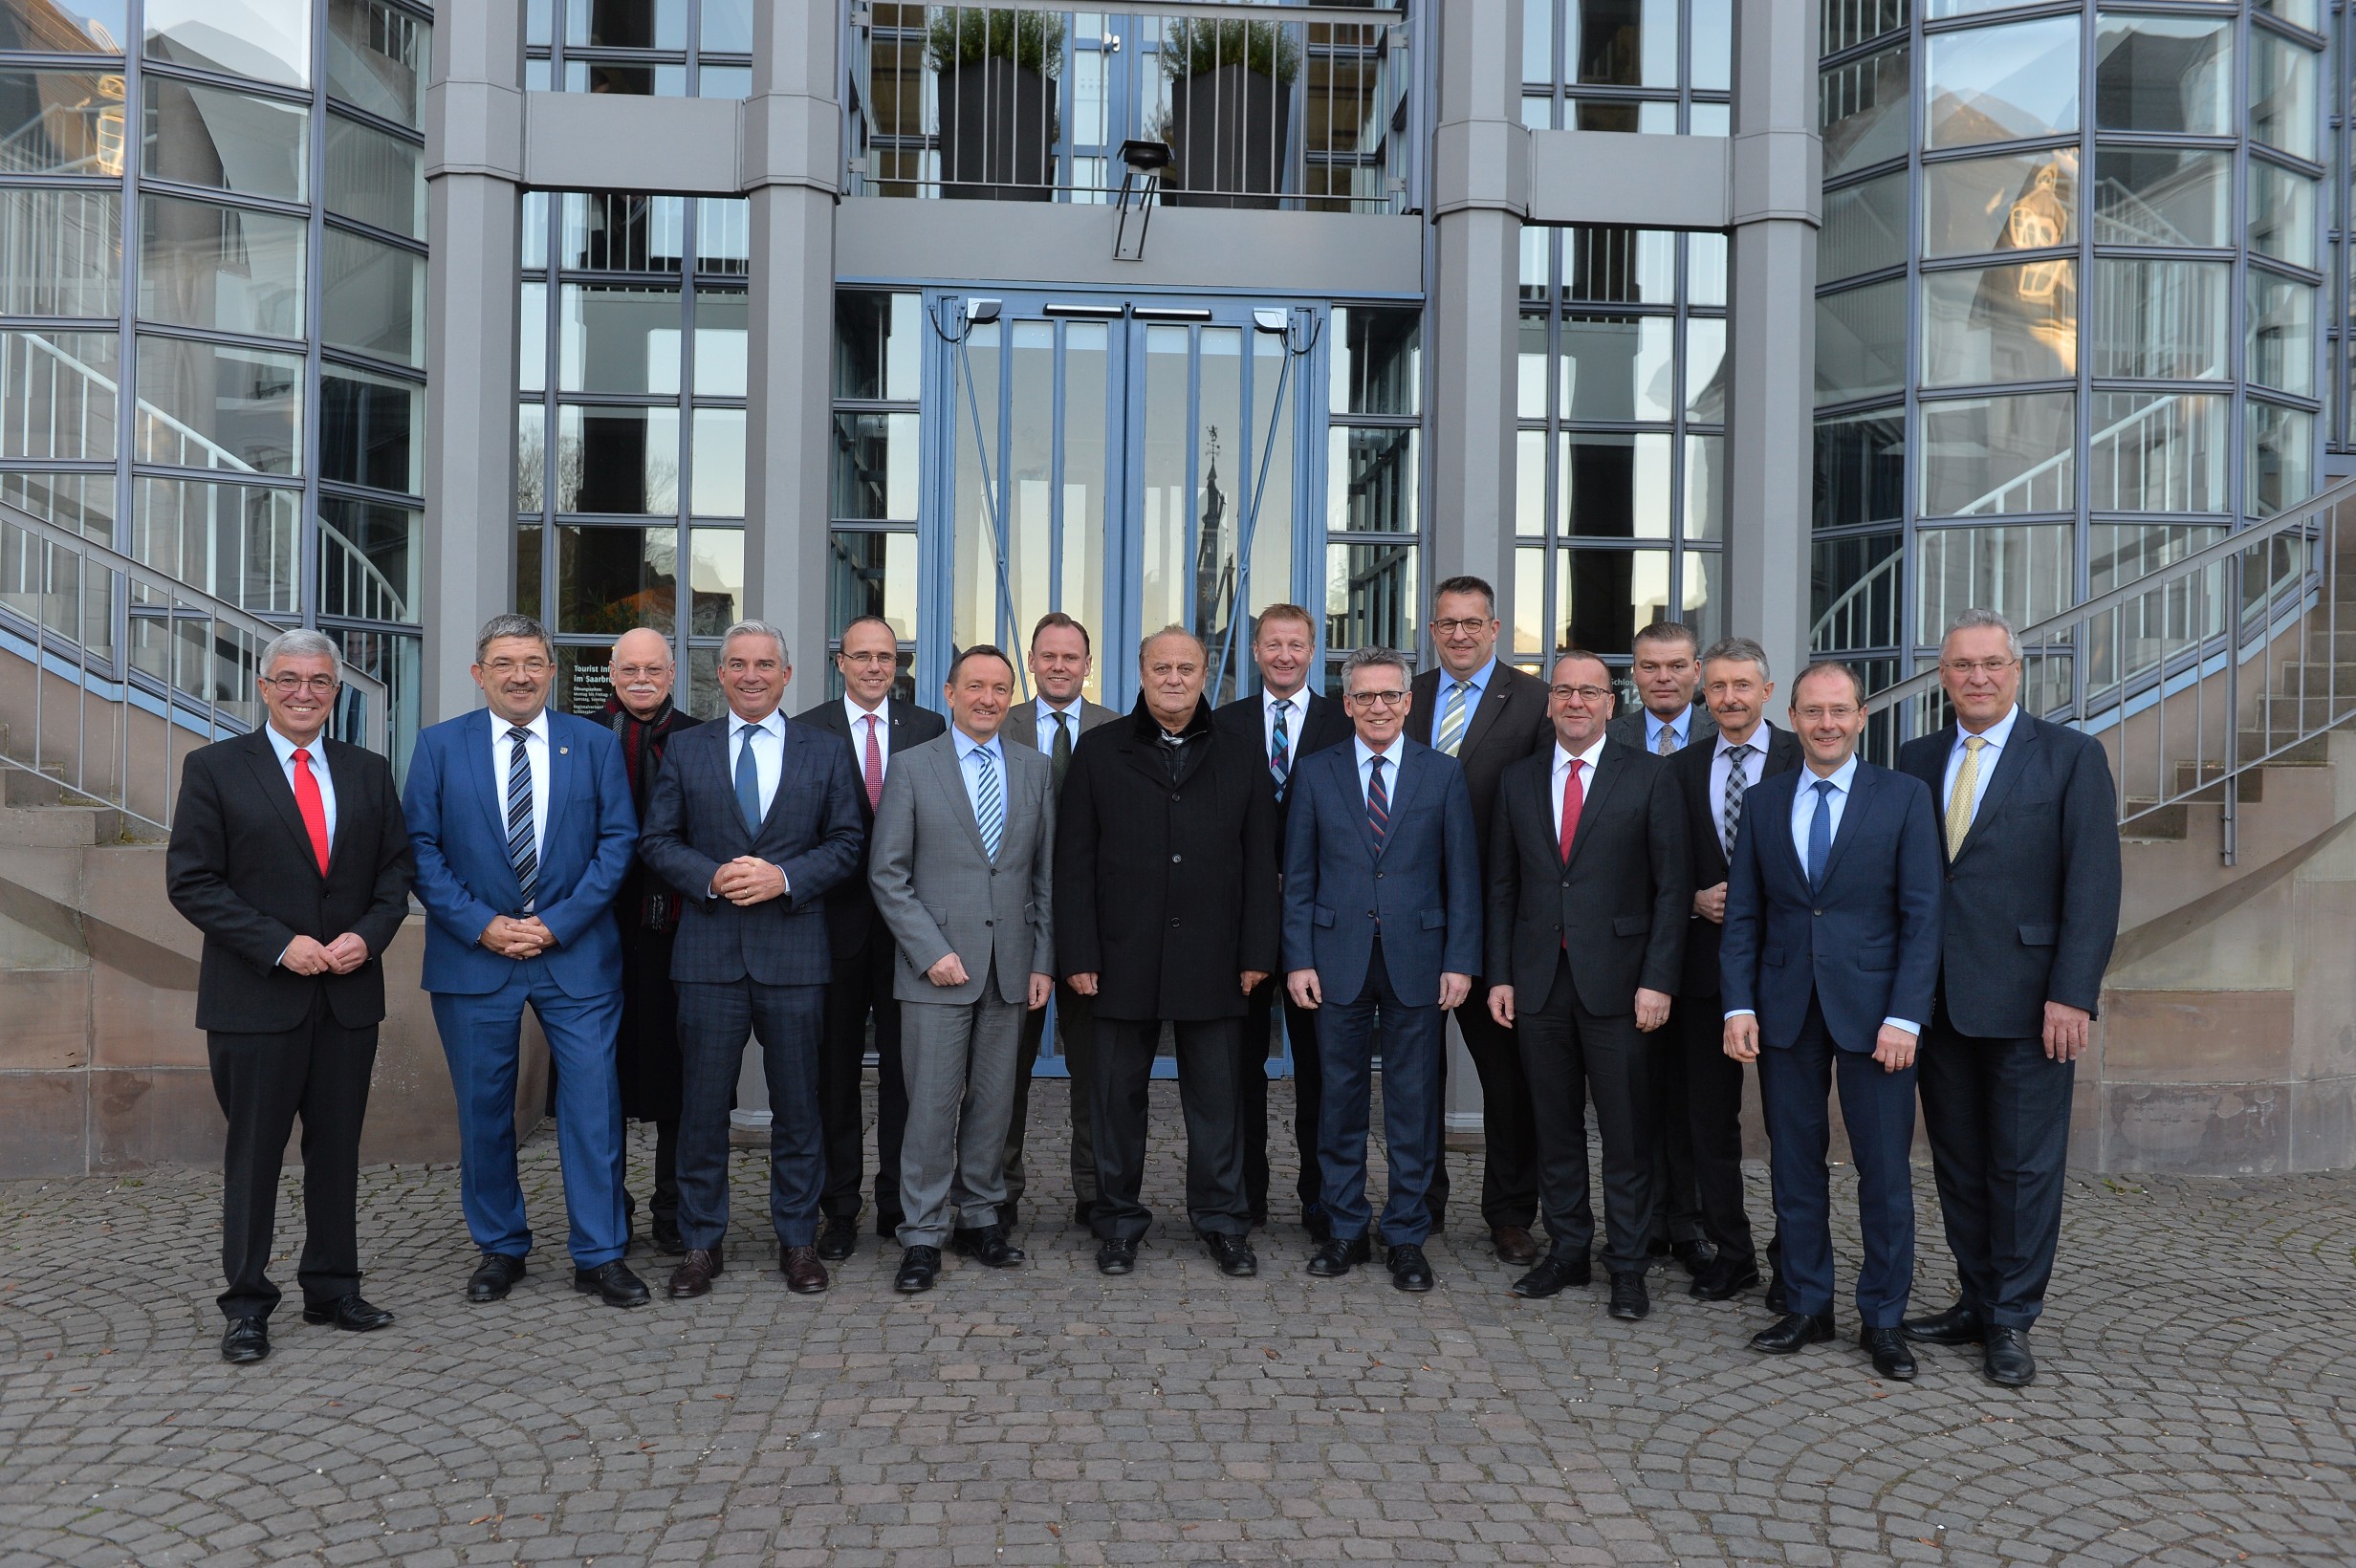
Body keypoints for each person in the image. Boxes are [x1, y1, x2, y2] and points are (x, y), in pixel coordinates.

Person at [165, 630, 416, 1365]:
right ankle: (246, 1305)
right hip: (255, 998)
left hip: (347, 997)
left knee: (336, 1150)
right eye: (289, 680)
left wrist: (368, 937)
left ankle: (333, 1287)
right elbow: (192, 881)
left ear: (336, 692)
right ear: (264, 686)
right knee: (255, 1157)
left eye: (319, 681)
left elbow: (395, 874)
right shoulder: (214, 769)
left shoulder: (368, 772)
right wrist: (279, 944)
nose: (304, 693)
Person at [1898, 609, 2121, 1388]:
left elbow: (2093, 886)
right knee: (1958, 1162)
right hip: (1939, 1003)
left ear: (2017, 672)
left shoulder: (2070, 756)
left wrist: (2073, 995)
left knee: (2024, 1168)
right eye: (1963, 665)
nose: (1978, 677)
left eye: (1992, 663)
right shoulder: (1916, 759)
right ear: (1943, 677)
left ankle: (2012, 1318)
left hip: (2032, 1006)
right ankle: (1975, 1298)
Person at [404, 614, 648, 1309]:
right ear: (478, 673)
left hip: (575, 955)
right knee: (485, 1110)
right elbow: (419, 848)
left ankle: (599, 1253)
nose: (520, 676)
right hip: (474, 956)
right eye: (505, 663)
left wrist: (556, 924)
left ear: (552, 671)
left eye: (534, 662)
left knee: (594, 1107)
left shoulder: (594, 744)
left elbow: (618, 844)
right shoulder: (438, 745)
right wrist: (481, 925)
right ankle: (500, 1246)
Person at [1721, 662, 1942, 1382]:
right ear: (1793, 717)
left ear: (1860, 716)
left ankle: (1883, 1319)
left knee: (1884, 1172)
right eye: (1812, 711)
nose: (1826, 724)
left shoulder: (1903, 797)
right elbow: (1745, 913)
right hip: (1785, 1012)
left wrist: (1906, 1016)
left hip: (1878, 1017)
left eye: (1839, 711)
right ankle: (1807, 1305)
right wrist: (1738, 1004)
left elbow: (1923, 917)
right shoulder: (1764, 801)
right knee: (1793, 1164)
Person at [637, 621, 865, 1298]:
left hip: (795, 956)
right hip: (708, 956)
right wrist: (710, 877)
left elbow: (848, 842)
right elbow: (657, 840)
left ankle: (798, 1240)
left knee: (799, 1109)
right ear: (721, 675)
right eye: (737, 664)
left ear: (787, 675)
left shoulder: (825, 751)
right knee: (702, 1111)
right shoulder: (687, 748)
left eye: (765, 664)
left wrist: (785, 878)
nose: (751, 675)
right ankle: (699, 1243)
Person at [1058, 625, 1279, 1277]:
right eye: (1162, 668)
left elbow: (1260, 861)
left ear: (1205, 675)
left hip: (1217, 957)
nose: (1174, 679)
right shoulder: (1099, 750)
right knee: (1115, 1101)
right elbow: (1073, 862)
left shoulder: (1242, 751)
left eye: (1186, 668)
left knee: (1217, 1103)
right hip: (1119, 956)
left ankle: (1223, 1221)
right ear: (1141, 673)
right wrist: (1079, 953)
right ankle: (1116, 1222)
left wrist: (1257, 952)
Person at [1485, 649, 1689, 1319]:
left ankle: (1627, 1263)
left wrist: (1658, 980)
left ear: (1610, 702)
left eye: (1589, 692)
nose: (1576, 702)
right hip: (1539, 982)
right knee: (1554, 1127)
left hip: (1623, 988)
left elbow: (1672, 890)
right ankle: (1568, 1249)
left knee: (1626, 1133)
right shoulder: (1518, 780)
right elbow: (1503, 886)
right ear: (1550, 703)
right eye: (1564, 691)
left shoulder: (1651, 776)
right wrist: (1501, 975)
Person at [1285, 646, 1483, 1293]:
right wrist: (1298, 959)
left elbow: (1462, 877)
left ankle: (1405, 1235)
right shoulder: (1315, 772)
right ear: (1347, 704)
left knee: (1413, 1104)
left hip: (1419, 962)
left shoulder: (1442, 774)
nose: (1378, 707)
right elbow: (1299, 878)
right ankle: (1344, 1229)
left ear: (1408, 702)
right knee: (1338, 1101)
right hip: (1335, 960)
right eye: (1365, 697)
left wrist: (1460, 961)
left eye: (1389, 696)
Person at [866, 644, 1055, 1293]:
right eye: (975, 687)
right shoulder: (914, 767)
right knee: (931, 1107)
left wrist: (1043, 962)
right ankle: (921, 1233)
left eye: (1000, 688)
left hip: (1011, 967)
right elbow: (887, 875)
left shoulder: (1035, 769)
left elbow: (1043, 876)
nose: (987, 699)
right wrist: (930, 951)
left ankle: (979, 1218)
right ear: (949, 694)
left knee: (994, 1105)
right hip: (935, 970)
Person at [1404, 577, 1551, 1262]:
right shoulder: (1407, 697)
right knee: (1414, 1073)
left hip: (1496, 919)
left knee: (1507, 1077)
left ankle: (1511, 1213)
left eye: (1472, 623)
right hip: (1409, 918)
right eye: (1446, 624)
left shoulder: (1536, 702)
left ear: (1494, 628)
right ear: (1431, 631)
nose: (1459, 635)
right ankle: (1419, 1201)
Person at [793, 614, 947, 1258]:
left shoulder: (929, 728)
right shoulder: (807, 730)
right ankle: (838, 1209)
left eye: (886, 656)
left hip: (911, 931)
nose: (876, 667)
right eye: (862, 656)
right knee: (834, 1076)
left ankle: (898, 1204)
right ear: (841, 662)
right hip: (832, 928)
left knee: (907, 1075)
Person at [1666, 638, 1802, 1306]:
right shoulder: (1681, 769)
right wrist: (1693, 897)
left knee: (1790, 1125)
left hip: (1788, 969)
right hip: (1702, 971)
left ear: (1767, 692)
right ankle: (1732, 1252)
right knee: (1708, 1123)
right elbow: (1662, 864)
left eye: (1742, 685)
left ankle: (1793, 1261)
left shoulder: (1803, 758)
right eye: (1717, 687)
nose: (1729, 698)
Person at [1212, 603, 1353, 1238]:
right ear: (1256, 651)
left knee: (1320, 1070)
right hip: (1240, 922)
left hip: (1319, 926)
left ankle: (1320, 1198)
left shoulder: (1342, 722)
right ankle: (1244, 1196)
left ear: (1312, 651)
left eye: (1296, 644)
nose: (1285, 655)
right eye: (1273, 644)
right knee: (1238, 1068)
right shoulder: (1224, 723)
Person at [1604, 620, 1720, 1275]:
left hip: (1706, 952)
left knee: (1696, 1096)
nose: (1664, 678)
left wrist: (1710, 896)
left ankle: (1693, 1223)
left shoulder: (1723, 732)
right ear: (1634, 674)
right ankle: (1641, 1222)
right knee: (1635, 1095)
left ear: (1696, 671)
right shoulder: (1610, 734)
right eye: (1650, 666)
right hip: (1628, 951)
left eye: (1676, 666)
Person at [999, 611, 1119, 1229]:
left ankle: (1095, 1195)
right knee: (1003, 1073)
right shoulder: (1000, 724)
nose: (1059, 666)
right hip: (1012, 926)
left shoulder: (1117, 730)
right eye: (1048, 655)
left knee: (1095, 1075)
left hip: (1094, 929)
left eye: (1071, 657)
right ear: (1032, 662)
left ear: (1088, 665)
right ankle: (997, 1194)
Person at [595, 626, 704, 1255]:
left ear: (672, 673)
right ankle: (609, 1208)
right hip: (595, 933)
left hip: (677, 933)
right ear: (612, 673)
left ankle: (673, 1209)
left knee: (678, 1081)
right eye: (630, 669)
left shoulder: (698, 738)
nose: (642, 679)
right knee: (599, 1080)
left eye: (654, 669)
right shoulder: (581, 736)